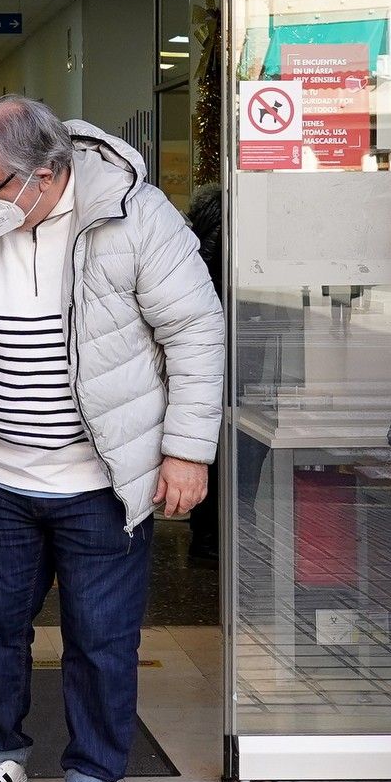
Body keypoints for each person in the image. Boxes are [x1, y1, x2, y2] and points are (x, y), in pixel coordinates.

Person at [0, 96, 225, 782]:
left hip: (102, 480)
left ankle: (93, 779)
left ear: (46, 173)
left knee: (101, 637)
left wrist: (186, 449)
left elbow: (196, 332)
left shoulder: (135, 219)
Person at [182, 183, 225, 565]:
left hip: (221, 350)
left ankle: (206, 535)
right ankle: (210, 539)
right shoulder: (228, 227)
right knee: (226, 452)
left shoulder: (201, 229)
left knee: (213, 450)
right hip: (229, 348)